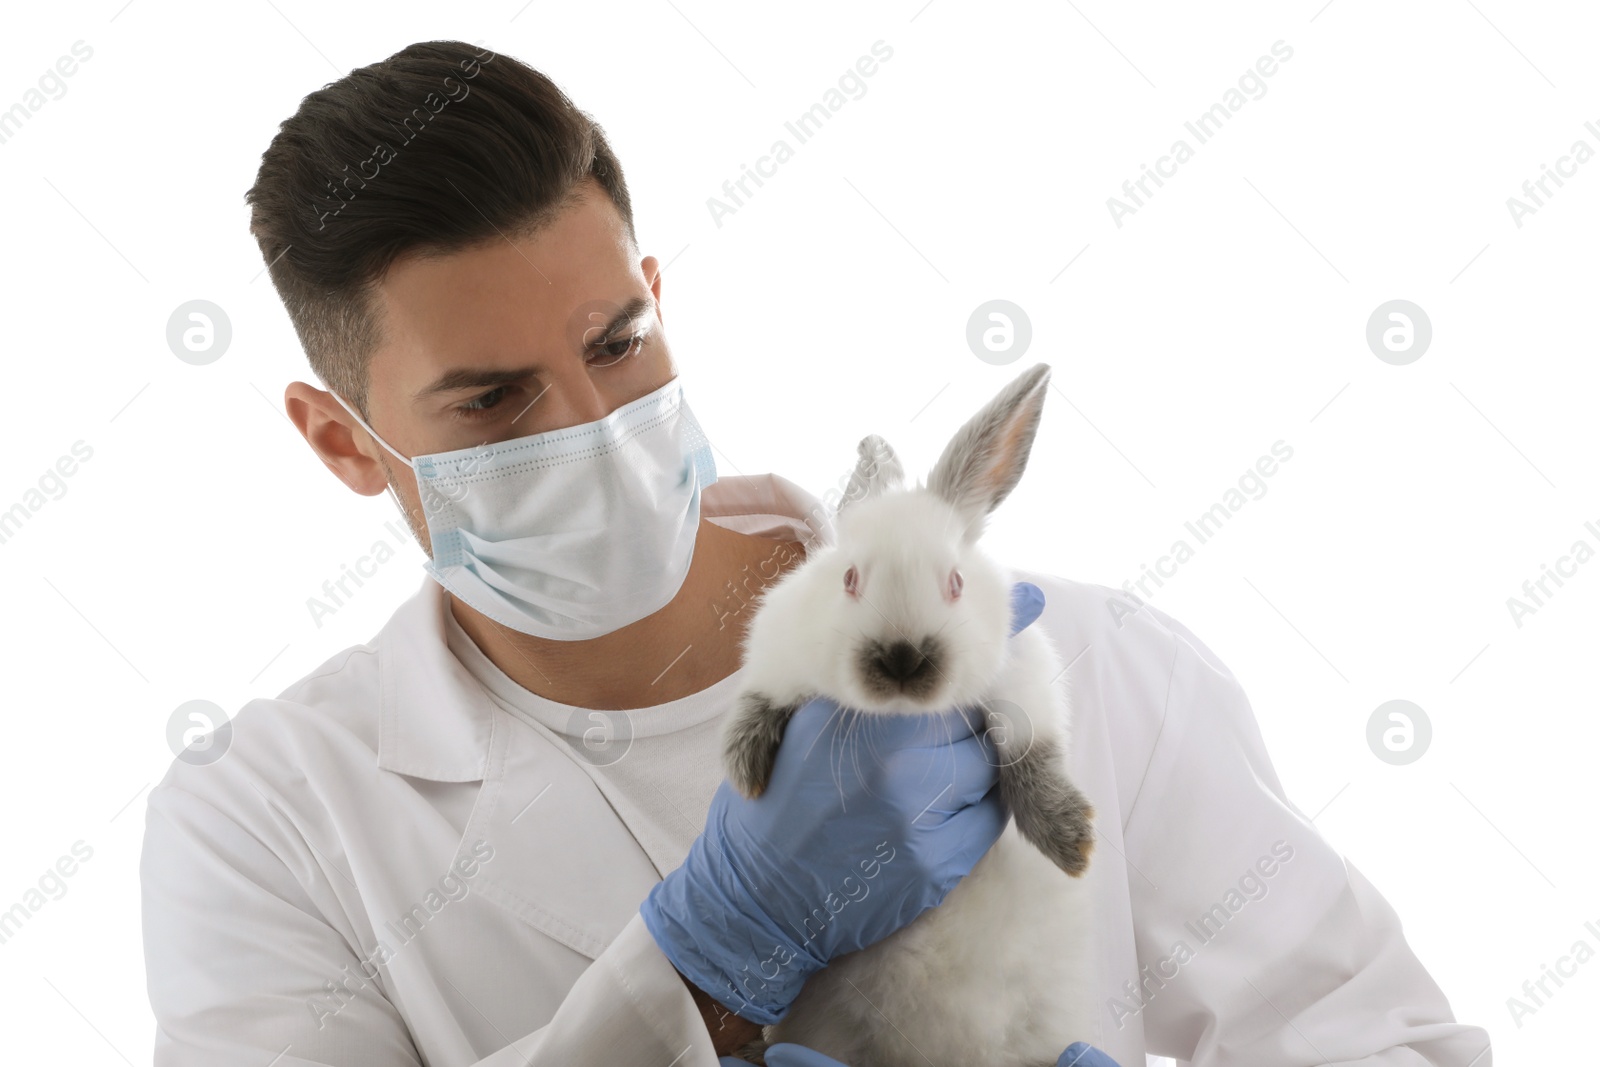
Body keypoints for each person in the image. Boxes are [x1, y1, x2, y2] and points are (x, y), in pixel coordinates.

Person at [138, 39, 1493, 1066]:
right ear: (343, 441)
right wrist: (708, 966)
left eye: (618, 345)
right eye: (495, 400)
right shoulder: (265, 824)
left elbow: (1384, 1041)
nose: (600, 429)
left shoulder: (1072, 663)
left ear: (659, 297)